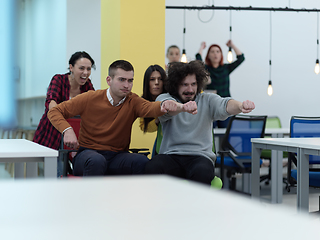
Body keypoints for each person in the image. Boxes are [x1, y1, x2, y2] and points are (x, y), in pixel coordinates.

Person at [48, 60, 196, 176]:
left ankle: (133, 209)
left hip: (117, 156)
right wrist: (67, 130)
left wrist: (170, 105)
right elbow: (54, 112)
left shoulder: (133, 101)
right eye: (122, 79)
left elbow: (152, 108)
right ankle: (92, 208)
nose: (127, 85)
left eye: (130, 80)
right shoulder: (90, 98)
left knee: (143, 162)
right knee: (96, 160)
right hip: (87, 154)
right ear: (109, 80)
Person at [144, 60, 255, 186]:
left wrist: (240, 106)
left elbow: (225, 104)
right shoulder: (164, 98)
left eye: (193, 84)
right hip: (171, 156)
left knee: (202, 172)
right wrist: (183, 107)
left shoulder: (207, 99)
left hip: (200, 157)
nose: (190, 89)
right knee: (152, 166)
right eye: (185, 84)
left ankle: (196, 206)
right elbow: (169, 107)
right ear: (176, 85)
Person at [33, 51, 95, 150]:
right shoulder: (59, 80)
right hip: (53, 131)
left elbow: (94, 106)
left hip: (76, 134)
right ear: (71, 68)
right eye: (81, 68)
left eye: (88, 69)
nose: (86, 73)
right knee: (53, 163)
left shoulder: (87, 85)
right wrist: (65, 127)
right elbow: (51, 103)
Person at [196, 40, 245, 128]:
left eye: (218, 51)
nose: (215, 54)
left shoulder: (226, 68)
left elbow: (241, 58)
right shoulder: (205, 69)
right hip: (210, 107)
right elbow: (198, 60)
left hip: (226, 106)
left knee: (224, 133)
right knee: (210, 133)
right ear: (208, 55)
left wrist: (232, 45)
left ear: (221, 55)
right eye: (212, 52)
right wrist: (201, 48)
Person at [139, 64, 167, 133]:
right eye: (152, 79)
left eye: (160, 79)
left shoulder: (172, 97)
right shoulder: (143, 101)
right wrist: (158, 119)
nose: (156, 83)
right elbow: (144, 127)